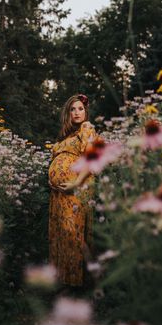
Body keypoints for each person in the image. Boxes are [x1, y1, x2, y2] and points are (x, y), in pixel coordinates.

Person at [48, 94, 97, 287]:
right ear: (67, 113)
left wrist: (75, 183)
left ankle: (94, 280)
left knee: (74, 233)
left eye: (81, 109)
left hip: (76, 189)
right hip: (59, 193)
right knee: (62, 235)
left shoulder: (87, 128)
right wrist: (53, 180)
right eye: (73, 109)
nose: (77, 113)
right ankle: (67, 282)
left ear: (86, 111)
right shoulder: (66, 136)